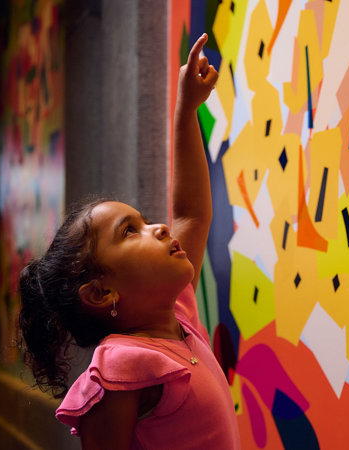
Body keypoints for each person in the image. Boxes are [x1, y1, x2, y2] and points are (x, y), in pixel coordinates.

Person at [17, 34, 240, 449]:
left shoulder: (177, 316)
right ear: (101, 293)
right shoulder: (121, 365)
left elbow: (191, 213)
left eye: (145, 221)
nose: (160, 228)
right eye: (130, 231)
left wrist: (187, 107)